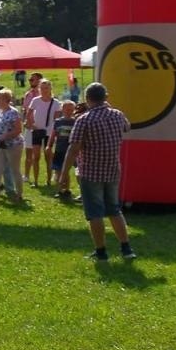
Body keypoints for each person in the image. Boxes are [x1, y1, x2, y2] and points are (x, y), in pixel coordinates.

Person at [56, 83, 137, 262]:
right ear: (105, 97)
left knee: (95, 213)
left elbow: (73, 148)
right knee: (114, 210)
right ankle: (126, 248)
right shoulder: (117, 115)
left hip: (90, 171)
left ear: (87, 99)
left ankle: (101, 252)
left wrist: (63, 174)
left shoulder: (84, 119)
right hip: (112, 169)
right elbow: (127, 127)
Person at [0, 89, 25, 203]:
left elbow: (18, 129)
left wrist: (6, 136)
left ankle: (19, 193)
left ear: (5, 100)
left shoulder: (13, 112)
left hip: (13, 145)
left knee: (15, 170)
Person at [24, 79, 59, 188]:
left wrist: (54, 131)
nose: (44, 90)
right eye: (42, 88)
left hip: (49, 132)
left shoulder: (56, 103)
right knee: (36, 156)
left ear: (50, 89)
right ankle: (36, 181)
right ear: (39, 89)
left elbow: (57, 119)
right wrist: (31, 124)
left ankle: (48, 180)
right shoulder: (35, 100)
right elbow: (28, 114)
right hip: (37, 131)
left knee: (48, 156)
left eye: (46, 88)